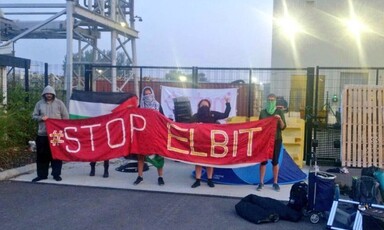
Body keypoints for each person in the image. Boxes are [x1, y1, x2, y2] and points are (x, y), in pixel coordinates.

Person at [190, 97, 231, 188]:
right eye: (202, 105)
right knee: (198, 162)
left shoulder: (213, 114)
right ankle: (198, 180)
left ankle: (209, 179)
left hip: (211, 142)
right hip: (199, 143)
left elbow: (225, 114)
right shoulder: (196, 116)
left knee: (210, 162)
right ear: (199, 106)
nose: (204, 106)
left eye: (206, 104)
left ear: (209, 106)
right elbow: (187, 125)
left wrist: (228, 103)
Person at [31, 85, 69, 182]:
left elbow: (66, 117)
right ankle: (42, 175)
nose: (48, 95)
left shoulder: (59, 103)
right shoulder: (39, 104)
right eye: (47, 93)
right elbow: (33, 116)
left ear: (53, 94)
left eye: (50, 94)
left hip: (56, 135)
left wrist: (62, 128)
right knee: (41, 155)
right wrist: (40, 118)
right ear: (44, 94)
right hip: (42, 134)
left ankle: (56, 174)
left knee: (56, 155)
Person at [133, 86, 165, 186]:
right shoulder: (140, 107)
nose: (147, 96)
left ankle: (160, 177)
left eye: (149, 94)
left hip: (155, 135)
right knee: (141, 156)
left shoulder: (158, 106)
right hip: (143, 135)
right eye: (145, 94)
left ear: (152, 94)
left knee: (158, 156)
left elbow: (163, 120)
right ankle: (140, 176)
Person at [256, 93, 286, 192]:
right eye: (269, 100)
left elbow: (283, 127)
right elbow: (259, 126)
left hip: (276, 139)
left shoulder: (279, 112)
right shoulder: (263, 113)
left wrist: (280, 119)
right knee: (263, 161)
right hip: (265, 140)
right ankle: (261, 182)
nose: (270, 102)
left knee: (275, 161)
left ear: (275, 101)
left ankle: (275, 182)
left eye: (272, 100)